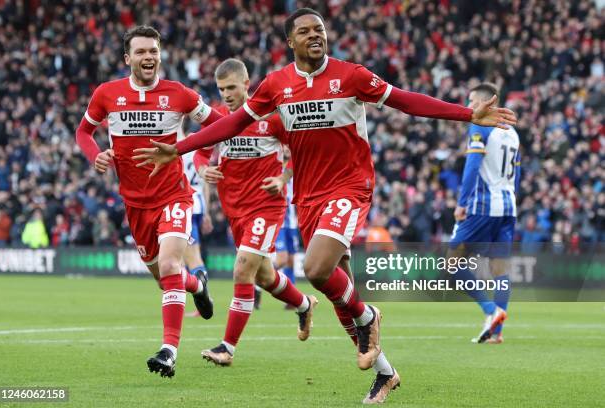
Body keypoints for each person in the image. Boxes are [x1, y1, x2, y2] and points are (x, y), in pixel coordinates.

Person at [132, 9, 516, 403]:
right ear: (290, 42)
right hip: (309, 197)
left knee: (316, 269)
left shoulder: (351, 75)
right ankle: (385, 373)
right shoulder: (276, 85)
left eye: (320, 29)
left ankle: (369, 318)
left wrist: (466, 113)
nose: (315, 35)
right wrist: (179, 148)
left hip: (349, 187)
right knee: (339, 296)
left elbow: (405, 101)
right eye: (305, 31)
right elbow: (231, 125)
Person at [75, 25, 219, 378]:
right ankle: (198, 285)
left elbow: (220, 125)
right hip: (135, 205)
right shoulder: (107, 94)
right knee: (165, 277)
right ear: (128, 58)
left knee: (170, 266)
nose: (148, 57)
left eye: (153, 51)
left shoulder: (179, 94)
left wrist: (193, 155)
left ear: (160, 55)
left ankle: (168, 351)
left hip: (174, 196)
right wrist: (96, 156)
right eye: (140, 52)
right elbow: (83, 132)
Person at [194, 58, 317, 366]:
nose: (226, 94)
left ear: (247, 85)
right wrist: (203, 170)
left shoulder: (272, 119)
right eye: (221, 89)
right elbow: (200, 153)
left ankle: (227, 348)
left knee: (242, 269)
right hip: (235, 210)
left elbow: (302, 151)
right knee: (263, 275)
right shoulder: (218, 118)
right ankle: (303, 304)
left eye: (232, 87)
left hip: (266, 206)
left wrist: (283, 178)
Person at [448, 83, 520, 344]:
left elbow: (473, 164)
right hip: (508, 206)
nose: (468, 107)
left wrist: (461, 202)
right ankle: (497, 332)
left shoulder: (480, 125)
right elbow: (517, 174)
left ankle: (491, 312)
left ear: (484, 102)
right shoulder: (512, 132)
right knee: (499, 268)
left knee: (451, 263)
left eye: (471, 102)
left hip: (482, 206)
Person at [181, 147, 213, 317]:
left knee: (192, 258)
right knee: (186, 257)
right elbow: (205, 181)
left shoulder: (177, 145)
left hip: (186, 204)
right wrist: (207, 212)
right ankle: (201, 299)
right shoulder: (199, 147)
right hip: (198, 203)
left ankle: (204, 300)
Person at [273, 152, 301, 309]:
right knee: (282, 259)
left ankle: (291, 298)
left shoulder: (295, 166)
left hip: (292, 222)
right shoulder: (276, 166)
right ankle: (257, 281)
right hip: (280, 220)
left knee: (291, 260)